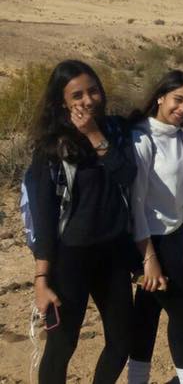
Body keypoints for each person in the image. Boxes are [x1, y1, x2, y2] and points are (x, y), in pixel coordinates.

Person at [28, 60, 136, 384]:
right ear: (62, 102)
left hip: (113, 253)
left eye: (93, 91)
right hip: (69, 259)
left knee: (121, 342)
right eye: (77, 95)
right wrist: (41, 279)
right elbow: (44, 217)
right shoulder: (51, 147)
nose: (88, 100)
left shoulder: (116, 130)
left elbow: (126, 174)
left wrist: (93, 134)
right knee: (62, 345)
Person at [127, 71, 183, 384]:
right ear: (160, 96)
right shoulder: (142, 139)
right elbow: (136, 205)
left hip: (174, 236)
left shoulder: (180, 134)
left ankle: (136, 380)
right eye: (177, 100)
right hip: (151, 241)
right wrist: (149, 259)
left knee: (146, 313)